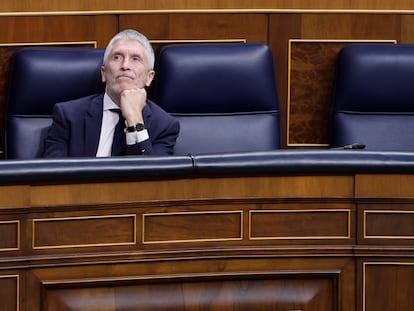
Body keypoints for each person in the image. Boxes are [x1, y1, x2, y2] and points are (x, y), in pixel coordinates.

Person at [43, 29, 179, 157]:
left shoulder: (164, 126)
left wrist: (135, 120)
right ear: (104, 73)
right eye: (117, 57)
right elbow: (51, 175)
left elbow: (151, 178)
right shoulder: (68, 116)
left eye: (135, 58)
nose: (125, 65)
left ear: (149, 77)